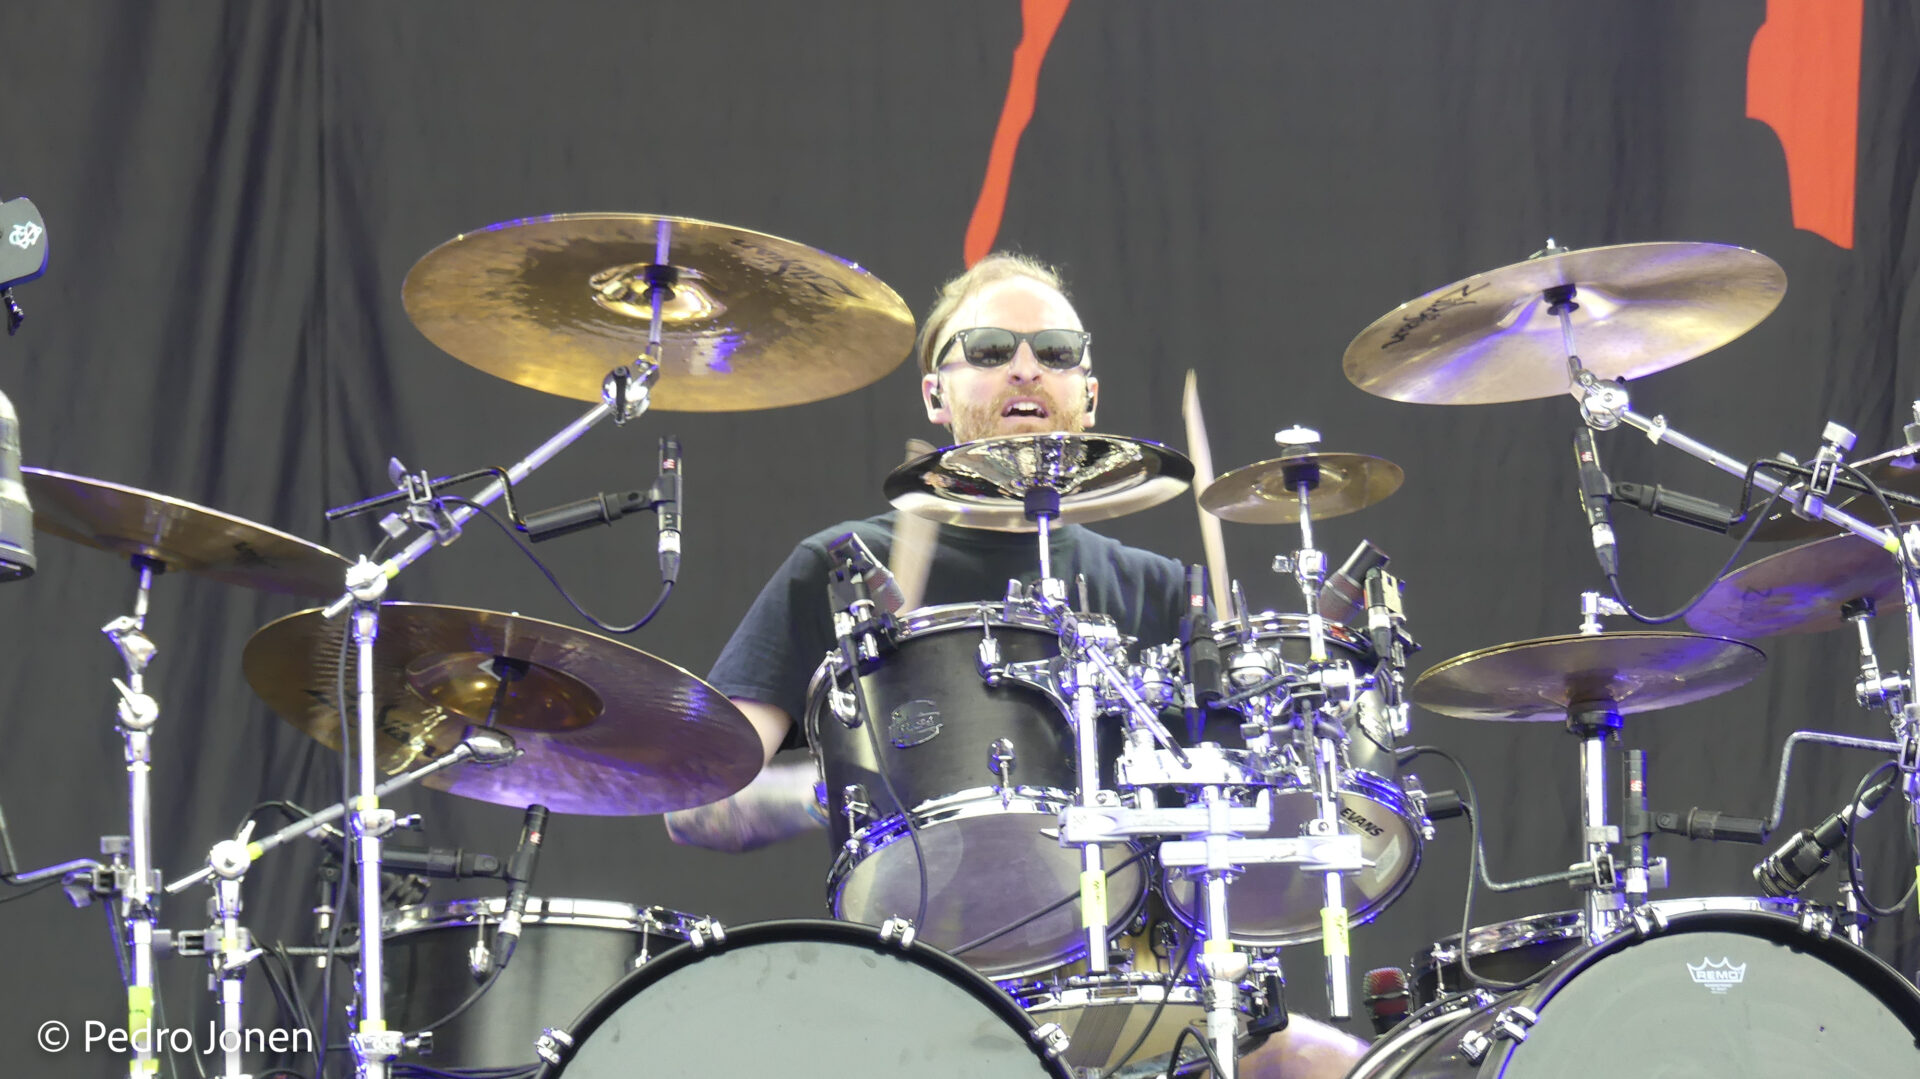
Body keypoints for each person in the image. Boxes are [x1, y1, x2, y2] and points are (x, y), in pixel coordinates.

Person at [666, 253, 1370, 1078]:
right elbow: (694, 802)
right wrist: (848, 790)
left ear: (1089, 394)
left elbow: (1242, 801)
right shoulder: (842, 566)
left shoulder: (1158, 587)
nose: (1027, 367)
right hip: (931, 994)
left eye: (1056, 351)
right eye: (991, 348)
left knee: (1343, 1066)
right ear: (935, 393)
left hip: (1149, 989)